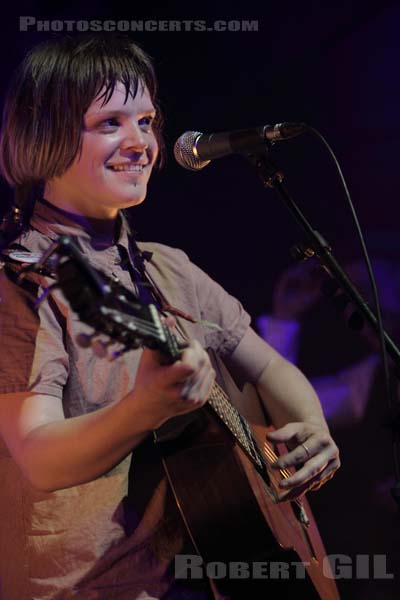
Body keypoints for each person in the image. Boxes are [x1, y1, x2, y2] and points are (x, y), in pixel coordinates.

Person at [0, 34, 340, 600]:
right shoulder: (24, 277)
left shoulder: (169, 268)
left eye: (148, 121)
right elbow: (38, 457)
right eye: (110, 123)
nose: (141, 142)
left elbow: (270, 369)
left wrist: (315, 430)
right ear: (44, 135)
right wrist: (148, 406)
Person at [257, 256, 400, 599]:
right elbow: (284, 409)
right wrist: (285, 318)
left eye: (366, 290)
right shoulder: (374, 377)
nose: (359, 306)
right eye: (349, 295)